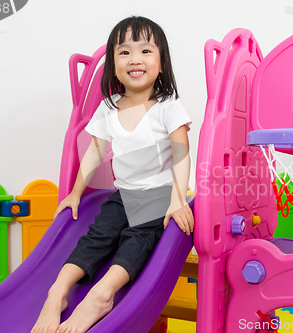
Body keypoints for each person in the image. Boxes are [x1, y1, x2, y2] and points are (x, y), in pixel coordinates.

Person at [31, 16, 194, 333]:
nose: (135, 59)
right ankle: (57, 292)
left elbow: (181, 153)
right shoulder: (108, 107)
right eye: (124, 52)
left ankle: (101, 295)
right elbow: (92, 152)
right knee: (97, 237)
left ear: (161, 63)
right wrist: (76, 193)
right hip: (123, 195)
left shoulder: (167, 105)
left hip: (159, 197)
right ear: (113, 63)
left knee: (137, 240)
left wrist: (178, 199)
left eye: (146, 51)